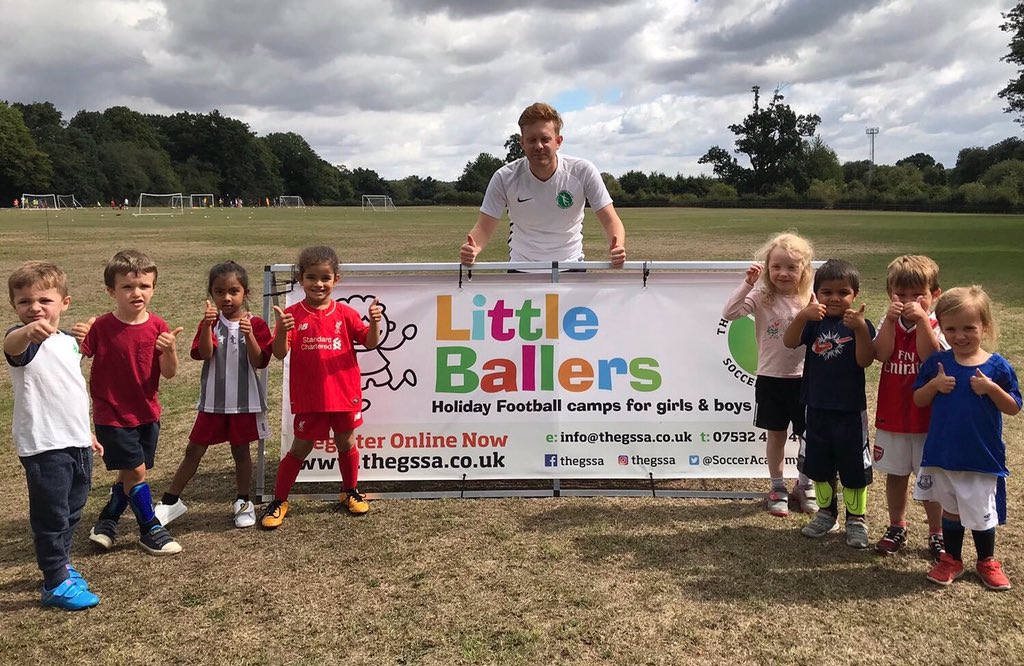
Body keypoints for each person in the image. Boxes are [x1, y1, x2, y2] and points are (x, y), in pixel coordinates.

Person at [260, 245, 382, 529]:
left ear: (336, 279)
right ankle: (279, 499)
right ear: (300, 279)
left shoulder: (346, 314)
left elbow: (371, 342)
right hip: (310, 397)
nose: (319, 284)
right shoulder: (292, 314)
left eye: (325, 278)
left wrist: (375, 322)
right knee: (300, 448)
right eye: (312, 277)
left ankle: (349, 491)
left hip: (344, 394)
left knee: (346, 442)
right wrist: (284, 331)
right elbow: (279, 353)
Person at [5, 262, 103, 610]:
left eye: (44, 300)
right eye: (24, 302)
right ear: (15, 307)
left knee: (73, 510)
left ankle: (61, 563)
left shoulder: (66, 343)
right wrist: (26, 332)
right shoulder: (22, 340)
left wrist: (86, 432)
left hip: (75, 442)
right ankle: (54, 583)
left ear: (65, 302)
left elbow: (71, 391)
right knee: (51, 517)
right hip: (44, 447)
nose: (34, 308)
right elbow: (13, 346)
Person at [74, 250, 184, 556]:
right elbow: (74, 359)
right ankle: (150, 528)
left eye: (144, 286)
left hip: (147, 412)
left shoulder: (159, 325)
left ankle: (107, 519)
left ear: (154, 288)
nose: (137, 293)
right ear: (112, 291)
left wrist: (170, 349)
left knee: (129, 472)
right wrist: (75, 338)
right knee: (137, 473)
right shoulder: (102, 326)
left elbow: (171, 373)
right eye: (127, 287)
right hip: (112, 414)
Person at [913, 286, 1021, 590]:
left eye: (968, 328)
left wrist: (992, 389)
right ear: (942, 328)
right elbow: (919, 400)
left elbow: (1013, 407)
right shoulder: (938, 364)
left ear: (984, 327)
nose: (959, 335)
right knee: (951, 509)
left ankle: (986, 560)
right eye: (951, 328)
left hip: (980, 456)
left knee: (982, 512)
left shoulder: (996, 366)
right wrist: (934, 385)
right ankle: (952, 559)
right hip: (944, 454)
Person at [154, 262, 273, 529]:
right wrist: (208, 327)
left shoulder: (255, 323)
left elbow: (260, 361)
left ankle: (243, 502)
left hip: (243, 403)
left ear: (245, 293)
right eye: (220, 292)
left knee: (241, 452)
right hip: (213, 402)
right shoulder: (210, 323)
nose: (227, 298)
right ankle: (171, 501)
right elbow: (204, 354)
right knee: (194, 449)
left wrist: (250, 336)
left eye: (234, 291)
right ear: (211, 294)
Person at [460, 102, 626, 268]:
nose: (539, 146)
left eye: (545, 139)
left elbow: (611, 220)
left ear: (558, 141)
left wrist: (618, 245)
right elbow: (483, 227)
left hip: (571, 267)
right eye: (532, 140)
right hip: (521, 269)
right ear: (522, 143)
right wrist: (473, 247)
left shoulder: (583, 171)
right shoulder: (504, 177)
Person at [721, 231, 817, 517]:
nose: (783, 273)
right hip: (771, 379)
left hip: (805, 380)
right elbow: (730, 313)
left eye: (791, 267)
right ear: (767, 267)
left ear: (804, 269)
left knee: (808, 436)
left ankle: (805, 484)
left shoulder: (809, 298)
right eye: (776, 266)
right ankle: (777, 486)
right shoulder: (761, 296)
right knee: (776, 435)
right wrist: (747, 283)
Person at [783, 259, 876, 548]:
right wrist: (802, 315)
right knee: (818, 465)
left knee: (854, 468)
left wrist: (860, 329)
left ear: (855, 295)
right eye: (827, 292)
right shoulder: (813, 322)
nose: (835, 298)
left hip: (849, 411)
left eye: (843, 292)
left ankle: (856, 519)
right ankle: (826, 514)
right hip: (816, 407)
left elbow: (865, 360)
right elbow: (788, 342)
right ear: (817, 293)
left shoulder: (860, 325)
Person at [872, 255, 946, 560]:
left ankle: (937, 532)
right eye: (900, 295)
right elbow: (881, 354)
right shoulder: (886, 320)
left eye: (918, 295)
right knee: (896, 474)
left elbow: (931, 359)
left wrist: (921, 322)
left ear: (934, 295)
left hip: (928, 417)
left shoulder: (939, 324)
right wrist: (890, 320)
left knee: (931, 479)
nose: (908, 302)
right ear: (890, 294)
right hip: (893, 413)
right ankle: (896, 526)